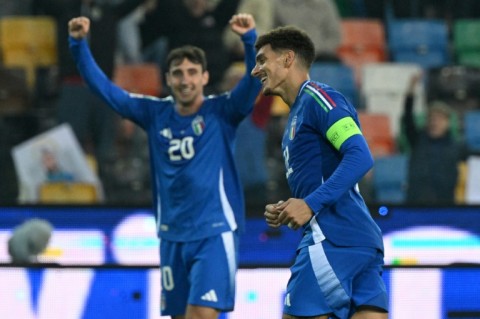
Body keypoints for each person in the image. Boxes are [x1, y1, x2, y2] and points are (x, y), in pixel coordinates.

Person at [68, 12, 260, 319]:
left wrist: (250, 41)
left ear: (204, 77)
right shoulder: (154, 113)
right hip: (171, 235)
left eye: (192, 72)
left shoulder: (221, 112)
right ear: (168, 79)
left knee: (200, 314)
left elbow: (252, 85)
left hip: (214, 231)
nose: (185, 80)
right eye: (178, 73)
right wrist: (78, 44)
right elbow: (106, 90)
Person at [252, 26, 388, 318]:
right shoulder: (295, 116)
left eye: (262, 60)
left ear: (288, 59)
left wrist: (310, 204)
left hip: (333, 240)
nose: (255, 70)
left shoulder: (318, 98)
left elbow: (361, 156)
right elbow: (324, 176)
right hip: (356, 240)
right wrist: (292, 207)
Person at [402, 73, 465, 205]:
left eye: (439, 118)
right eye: (432, 118)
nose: (435, 122)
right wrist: (411, 91)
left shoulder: (457, 147)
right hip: (416, 203)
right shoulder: (417, 140)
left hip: (445, 205)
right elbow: (407, 117)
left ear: (447, 122)